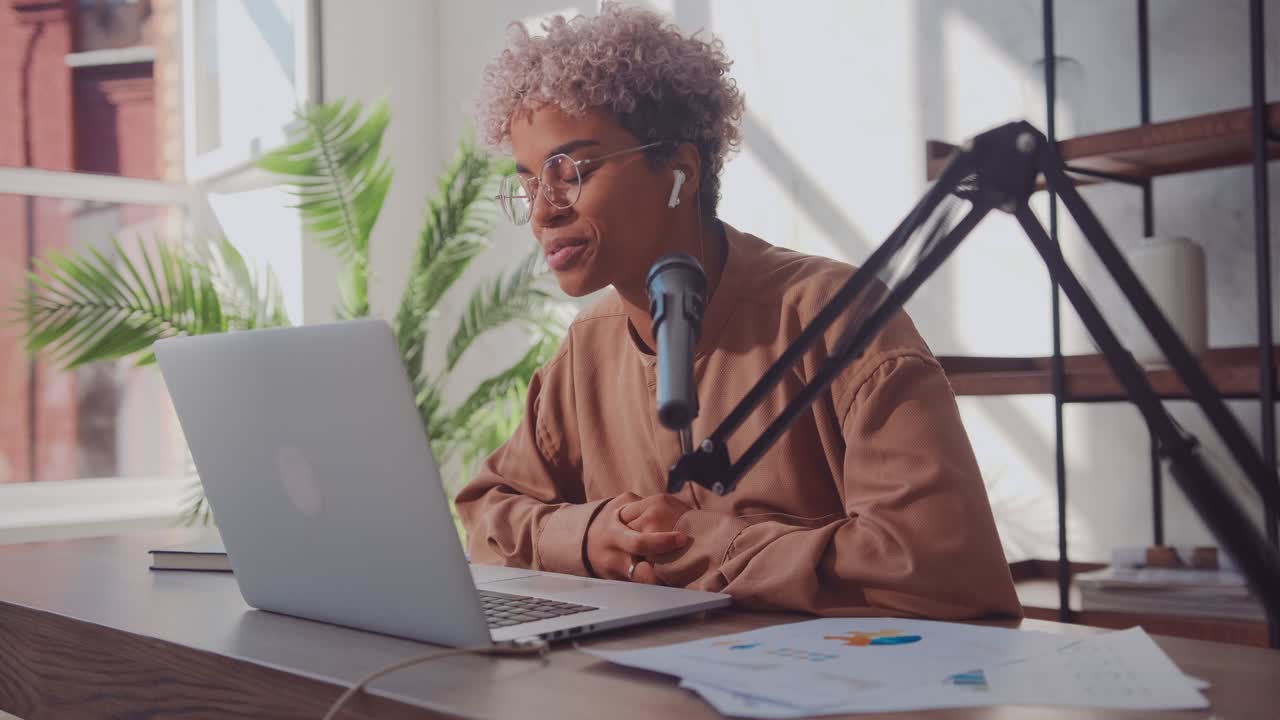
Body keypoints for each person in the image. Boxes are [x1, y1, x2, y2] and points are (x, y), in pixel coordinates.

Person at [456, 2, 1020, 619]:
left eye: (570, 171)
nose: (543, 210)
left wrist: (697, 544)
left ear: (680, 170)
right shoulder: (587, 350)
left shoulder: (837, 319)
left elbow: (943, 574)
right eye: (529, 183)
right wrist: (587, 536)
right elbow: (487, 517)